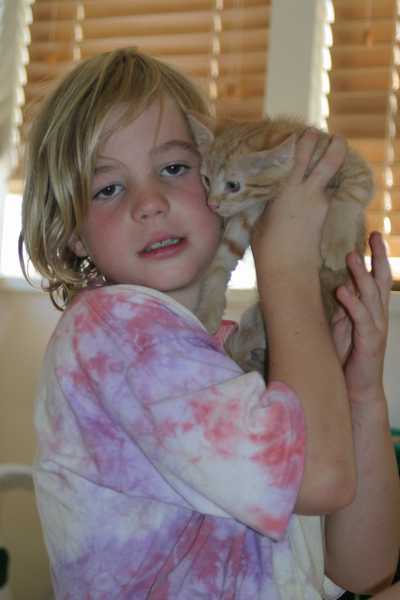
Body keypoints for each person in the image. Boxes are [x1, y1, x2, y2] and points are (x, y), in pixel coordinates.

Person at [19, 48, 399, 598]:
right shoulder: (113, 334)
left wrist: (362, 394)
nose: (150, 203)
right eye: (108, 188)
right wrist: (287, 268)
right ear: (73, 234)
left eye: (174, 169)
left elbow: (363, 568)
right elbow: (319, 478)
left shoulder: (219, 354)